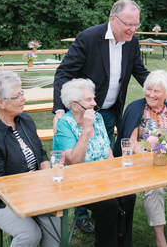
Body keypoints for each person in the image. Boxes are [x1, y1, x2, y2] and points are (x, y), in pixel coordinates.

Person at [53, 0, 149, 232]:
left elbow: (140, 71)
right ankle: (80, 211)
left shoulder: (132, 41)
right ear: (113, 19)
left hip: (113, 110)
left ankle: (103, 203)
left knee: (103, 159)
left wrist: (159, 91)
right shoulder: (88, 38)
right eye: (129, 24)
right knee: (81, 161)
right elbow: (63, 72)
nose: (133, 30)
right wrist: (58, 110)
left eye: (137, 25)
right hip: (86, 111)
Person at [0, 71, 60, 247]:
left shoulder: (25, 120)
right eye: (18, 95)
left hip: (33, 190)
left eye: (22, 93)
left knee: (55, 225)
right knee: (29, 234)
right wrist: (35, 193)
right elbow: (0, 184)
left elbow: (41, 154)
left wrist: (48, 182)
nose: (24, 98)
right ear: (1, 103)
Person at [114, 70, 167, 247]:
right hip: (143, 165)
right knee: (154, 190)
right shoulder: (136, 108)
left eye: (157, 91)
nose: (151, 94)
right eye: (148, 89)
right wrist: (143, 153)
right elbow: (131, 141)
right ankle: (160, 238)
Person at [53, 78, 136, 247]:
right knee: (109, 204)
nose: (95, 103)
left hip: (101, 177)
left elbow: (107, 150)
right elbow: (74, 162)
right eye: (89, 100)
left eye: (93, 98)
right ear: (74, 105)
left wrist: (115, 176)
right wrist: (85, 129)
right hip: (75, 182)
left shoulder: (97, 119)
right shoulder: (64, 125)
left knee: (128, 195)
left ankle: (123, 243)